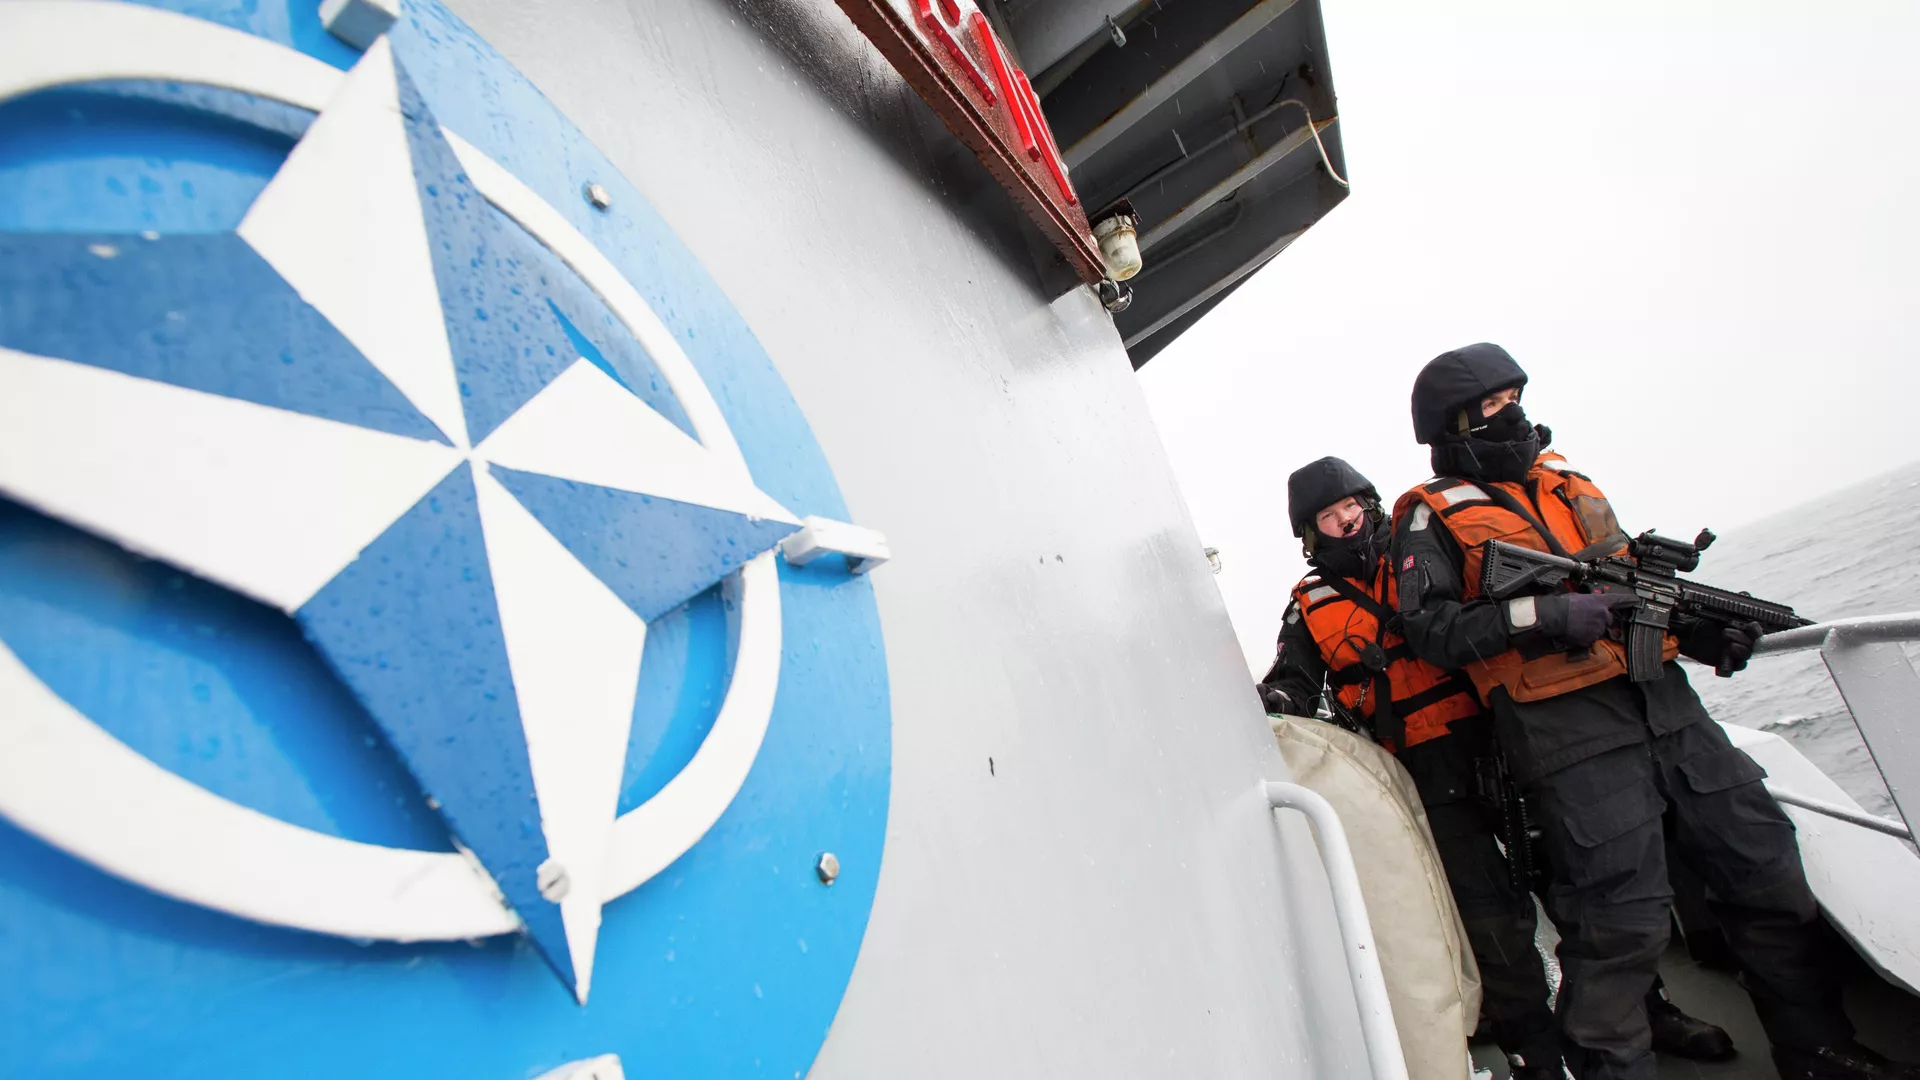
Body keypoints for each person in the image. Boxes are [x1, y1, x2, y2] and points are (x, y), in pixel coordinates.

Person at [1388, 343, 1919, 1080]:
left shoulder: (1566, 482)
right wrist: (1545, 615)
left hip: (1670, 710)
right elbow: (1431, 631)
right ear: (1455, 425)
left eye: (1516, 398)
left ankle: (1817, 1048)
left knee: (1764, 872)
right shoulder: (1427, 519)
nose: (1514, 414)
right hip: (1571, 737)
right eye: (1494, 406)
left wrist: (1699, 634)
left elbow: (1632, 595)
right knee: (1621, 925)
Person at [1259, 457, 1733, 1078]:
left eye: (1352, 503)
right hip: (1429, 778)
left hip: (1506, 743)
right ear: (1311, 533)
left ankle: (1651, 1011)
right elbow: (1293, 677)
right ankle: (1533, 1054)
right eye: (1329, 513)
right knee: (1495, 925)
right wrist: (1278, 702)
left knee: (1584, 892)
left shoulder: (1424, 556)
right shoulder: (1307, 607)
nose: (1347, 517)